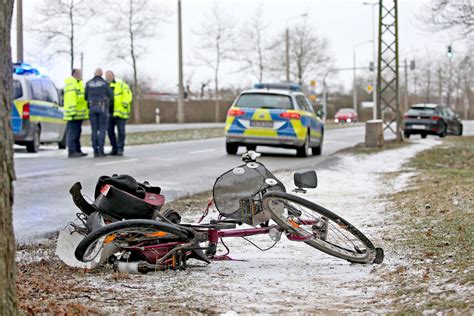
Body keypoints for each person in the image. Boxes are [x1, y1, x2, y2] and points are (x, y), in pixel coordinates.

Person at [85, 68, 113, 157]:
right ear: (101, 74)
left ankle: (95, 150)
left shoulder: (88, 83)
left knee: (93, 130)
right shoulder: (104, 83)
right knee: (102, 130)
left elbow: (85, 96)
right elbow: (111, 95)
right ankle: (101, 150)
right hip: (102, 107)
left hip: (92, 107)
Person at [105, 71, 133, 156]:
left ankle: (120, 149)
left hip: (120, 112)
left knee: (121, 131)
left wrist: (124, 103)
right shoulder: (105, 86)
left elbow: (128, 95)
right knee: (110, 131)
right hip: (109, 113)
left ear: (113, 76)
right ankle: (114, 148)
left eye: (109, 75)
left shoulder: (121, 84)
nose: (108, 77)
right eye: (107, 76)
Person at [64, 69, 88, 158]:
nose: (81, 75)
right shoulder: (71, 84)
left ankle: (78, 150)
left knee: (77, 132)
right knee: (73, 132)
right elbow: (71, 99)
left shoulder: (79, 84)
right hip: (73, 114)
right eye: (79, 73)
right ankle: (72, 151)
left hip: (78, 114)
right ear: (74, 74)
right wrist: (72, 111)